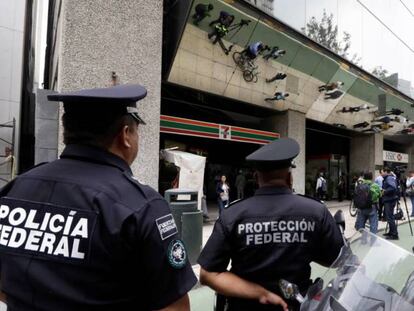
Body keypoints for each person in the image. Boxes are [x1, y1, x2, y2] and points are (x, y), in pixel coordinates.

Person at [0, 84, 197, 310]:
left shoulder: (16, 188)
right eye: (136, 130)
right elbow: (176, 306)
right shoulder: (143, 205)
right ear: (125, 135)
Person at [198, 138, 343, 311]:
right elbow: (338, 260)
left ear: (256, 177)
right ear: (289, 177)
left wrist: (261, 293)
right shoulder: (316, 211)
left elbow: (208, 275)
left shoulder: (233, 214)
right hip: (298, 306)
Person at [382, 167, 400, 240]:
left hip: (389, 200)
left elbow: (393, 187)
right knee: (390, 217)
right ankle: (391, 232)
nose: (381, 174)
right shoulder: (389, 178)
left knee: (390, 217)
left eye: (382, 172)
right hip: (390, 200)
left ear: (386, 171)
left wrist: (384, 191)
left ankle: (394, 234)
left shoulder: (389, 178)